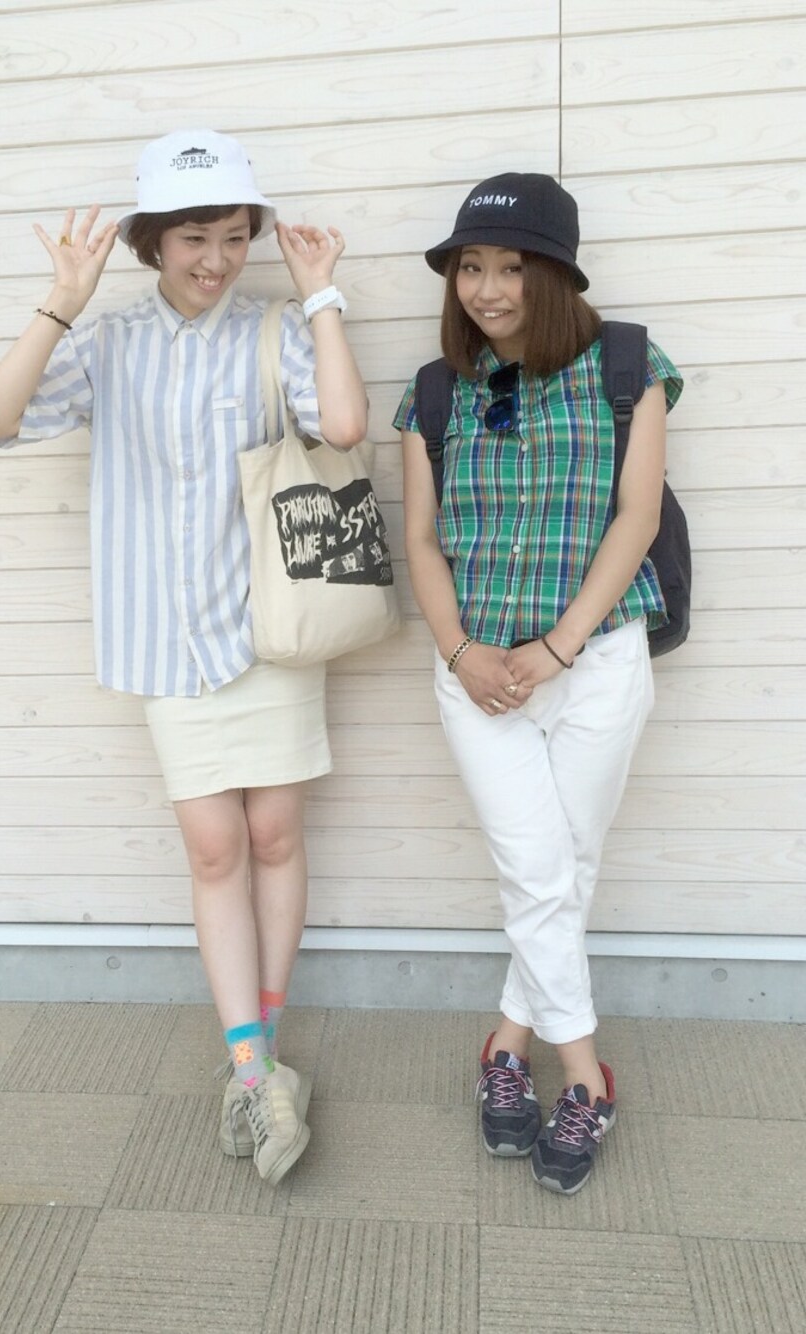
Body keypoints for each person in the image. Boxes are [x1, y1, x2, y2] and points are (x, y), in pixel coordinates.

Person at [0, 129, 368, 1186]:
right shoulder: (107, 343)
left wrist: (321, 296)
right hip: (162, 635)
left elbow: (343, 424)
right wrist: (62, 300)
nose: (218, 258)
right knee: (214, 849)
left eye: (235, 236)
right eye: (195, 237)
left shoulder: (275, 330)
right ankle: (251, 1068)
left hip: (271, 630)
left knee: (275, 834)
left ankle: (262, 1060)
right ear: (153, 240)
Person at [395, 173, 683, 1194]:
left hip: (595, 661)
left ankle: (506, 1044)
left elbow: (637, 516)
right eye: (470, 267)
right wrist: (461, 651)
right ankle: (586, 1076)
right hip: (475, 673)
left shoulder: (628, 367)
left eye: (511, 266)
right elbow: (421, 540)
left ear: (555, 272)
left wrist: (557, 647)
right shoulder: (434, 391)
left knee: (563, 866)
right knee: (540, 866)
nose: (486, 288)